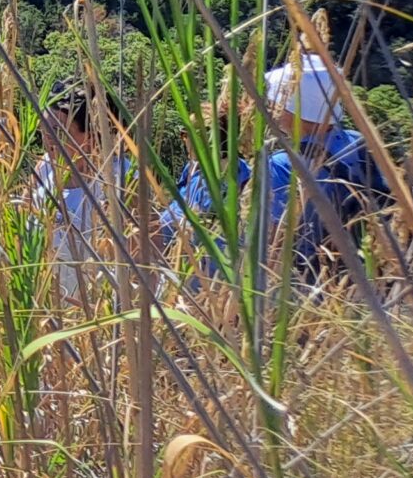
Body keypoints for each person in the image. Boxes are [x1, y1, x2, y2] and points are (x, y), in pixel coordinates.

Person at [165, 52, 391, 283]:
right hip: (359, 283)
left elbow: (266, 246)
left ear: (295, 109)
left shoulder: (282, 167)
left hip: (305, 290)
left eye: (279, 100)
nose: (273, 106)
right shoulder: (358, 142)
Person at [31, 80, 138, 301]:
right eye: (45, 127)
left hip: (95, 317)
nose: (47, 138)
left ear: (91, 136)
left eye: (59, 131)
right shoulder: (45, 167)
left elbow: (144, 263)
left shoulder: (121, 182)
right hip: (45, 308)